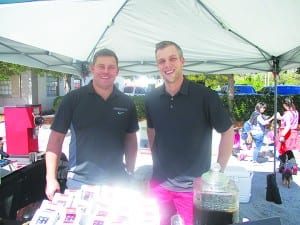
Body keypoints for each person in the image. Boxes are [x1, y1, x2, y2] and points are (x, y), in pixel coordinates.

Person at [145, 41, 234, 225]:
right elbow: (152, 130)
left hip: (192, 190)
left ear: (182, 61)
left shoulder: (205, 96)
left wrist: (217, 172)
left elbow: (227, 131)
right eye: (161, 61)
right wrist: (156, 163)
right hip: (159, 185)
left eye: (172, 59)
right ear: (157, 65)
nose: (167, 65)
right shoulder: (151, 98)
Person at [45, 49, 139, 200]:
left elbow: (131, 140)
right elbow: (55, 140)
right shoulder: (72, 99)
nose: (106, 71)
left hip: (117, 181)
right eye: (101, 66)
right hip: (80, 181)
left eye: (111, 67)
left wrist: (130, 172)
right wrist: (51, 178)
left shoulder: (126, 103)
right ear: (92, 68)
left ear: (117, 71)